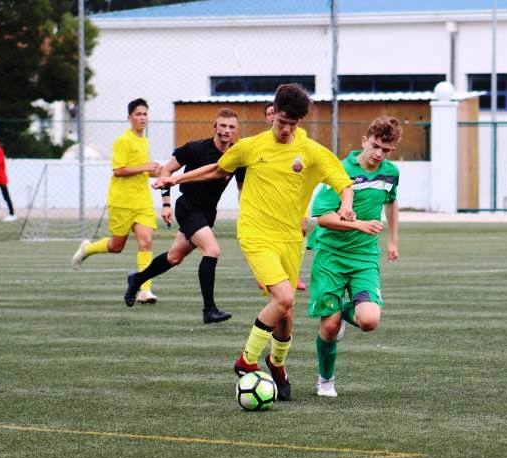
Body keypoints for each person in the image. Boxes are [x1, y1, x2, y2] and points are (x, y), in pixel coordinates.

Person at [155, 84, 354, 401]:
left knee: (285, 312)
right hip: (256, 234)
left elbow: (343, 183)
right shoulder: (251, 146)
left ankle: (277, 365)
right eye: (282, 122)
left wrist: (346, 204)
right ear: (272, 114)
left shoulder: (312, 152)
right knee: (285, 297)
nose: (286, 129)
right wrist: (175, 178)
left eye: (293, 124)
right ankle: (246, 360)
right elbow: (219, 168)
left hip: (290, 238)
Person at [308, 116, 401, 398]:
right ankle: (325, 381)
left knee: (370, 320)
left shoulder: (390, 173)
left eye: (385, 150)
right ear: (364, 140)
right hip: (331, 257)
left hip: (364, 257)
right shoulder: (340, 171)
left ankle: (343, 312)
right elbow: (323, 218)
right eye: (375, 146)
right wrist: (358, 224)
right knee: (329, 325)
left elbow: (392, 201)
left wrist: (393, 240)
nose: (378, 154)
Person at [124, 108, 243, 323]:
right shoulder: (195, 149)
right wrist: (166, 204)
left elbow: (242, 190)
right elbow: (165, 171)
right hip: (188, 208)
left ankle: (136, 279)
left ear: (236, 130)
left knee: (174, 257)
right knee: (212, 251)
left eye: (231, 127)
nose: (226, 130)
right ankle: (209, 310)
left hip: (207, 214)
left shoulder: (236, 156)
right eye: (223, 125)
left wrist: (246, 213)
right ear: (215, 127)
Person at [72, 98, 161, 304]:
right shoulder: (123, 141)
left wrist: (160, 174)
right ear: (129, 117)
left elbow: (143, 171)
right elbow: (119, 170)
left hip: (143, 202)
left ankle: (145, 290)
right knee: (116, 246)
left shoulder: (144, 141)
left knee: (146, 242)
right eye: (138, 114)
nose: (142, 118)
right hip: (121, 202)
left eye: (145, 114)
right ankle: (87, 249)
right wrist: (145, 167)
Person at [264, 101, 309, 292]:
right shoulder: (259, 145)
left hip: (294, 204)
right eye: (269, 114)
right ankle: (267, 274)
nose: (272, 116)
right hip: (269, 206)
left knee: (298, 237)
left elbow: (302, 179)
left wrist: (303, 213)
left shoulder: (300, 140)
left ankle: (292, 274)